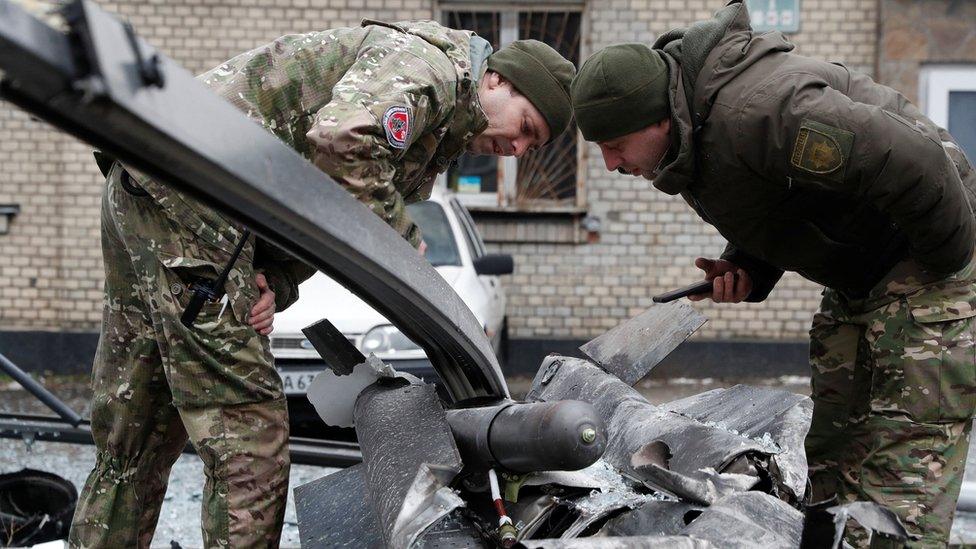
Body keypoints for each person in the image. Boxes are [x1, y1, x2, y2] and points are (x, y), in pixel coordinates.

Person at [69, 18, 575, 549]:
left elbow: (320, 207)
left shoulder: (437, 119)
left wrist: (279, 280)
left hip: (157, 185)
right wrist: (401, 235)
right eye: (525, 127)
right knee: (251, 443)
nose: (518, 149)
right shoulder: (431, 68)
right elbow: (342, 139)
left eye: (531, 146)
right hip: (193, 199)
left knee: (136, 433)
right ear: (497, 81)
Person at [570, 1, 976, 546]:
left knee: (902, 482)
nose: (611, 164)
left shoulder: (764, 111)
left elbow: (918, 162)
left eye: (615, 146)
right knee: (833, 465)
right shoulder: (693, 134)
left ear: (658, 118)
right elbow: (784, 198)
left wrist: (943, 275)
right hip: (860, 280)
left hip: (928, 263)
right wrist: (749, 264)